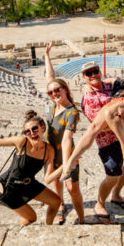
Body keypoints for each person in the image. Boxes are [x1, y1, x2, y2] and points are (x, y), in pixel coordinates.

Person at [47, 58, 124, 223]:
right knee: (112, 177)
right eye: (88, 74)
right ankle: (100, 203)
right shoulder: (87, 98)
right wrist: (116, 120)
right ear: (83, 77)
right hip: (108, 144)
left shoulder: (111, 85)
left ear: (100, 72)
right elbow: (97, 125)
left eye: (95, 71)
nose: (93, 75)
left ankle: (116, 195)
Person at [44, 42, 85, 224]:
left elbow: (68, 138)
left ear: (65, 89)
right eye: (51, 92)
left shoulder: (72, 112)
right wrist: (47, 55)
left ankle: (82, 217)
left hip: (66, 154)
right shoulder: (54, 105)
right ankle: (60, 205)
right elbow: (50, 77)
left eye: (57, 90)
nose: (53, 93)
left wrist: (68, 164)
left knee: (72, 187)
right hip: (51, 152)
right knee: (56, 184)